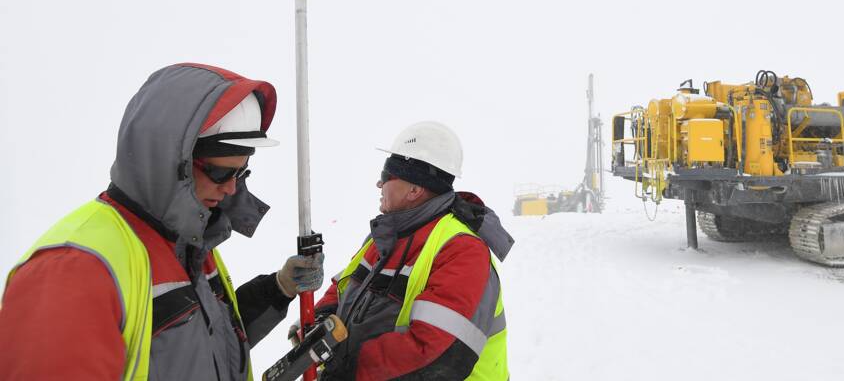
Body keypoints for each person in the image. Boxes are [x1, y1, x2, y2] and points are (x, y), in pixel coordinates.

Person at [0, 63, 324, 380]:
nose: (231, 188)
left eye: (241, 172)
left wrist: (278, 288)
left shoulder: (190, 242)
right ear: (171, 163)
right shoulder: (76, 271)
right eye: (221, 172)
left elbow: (205, 348)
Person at [313, 121, 513, 380]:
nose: (378, 184)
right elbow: (345, 285)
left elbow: (439, 354)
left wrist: (350, 370)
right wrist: (321, 320)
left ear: (415, 189)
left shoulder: (462, 249)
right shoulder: (385, 237)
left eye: (386, 177)